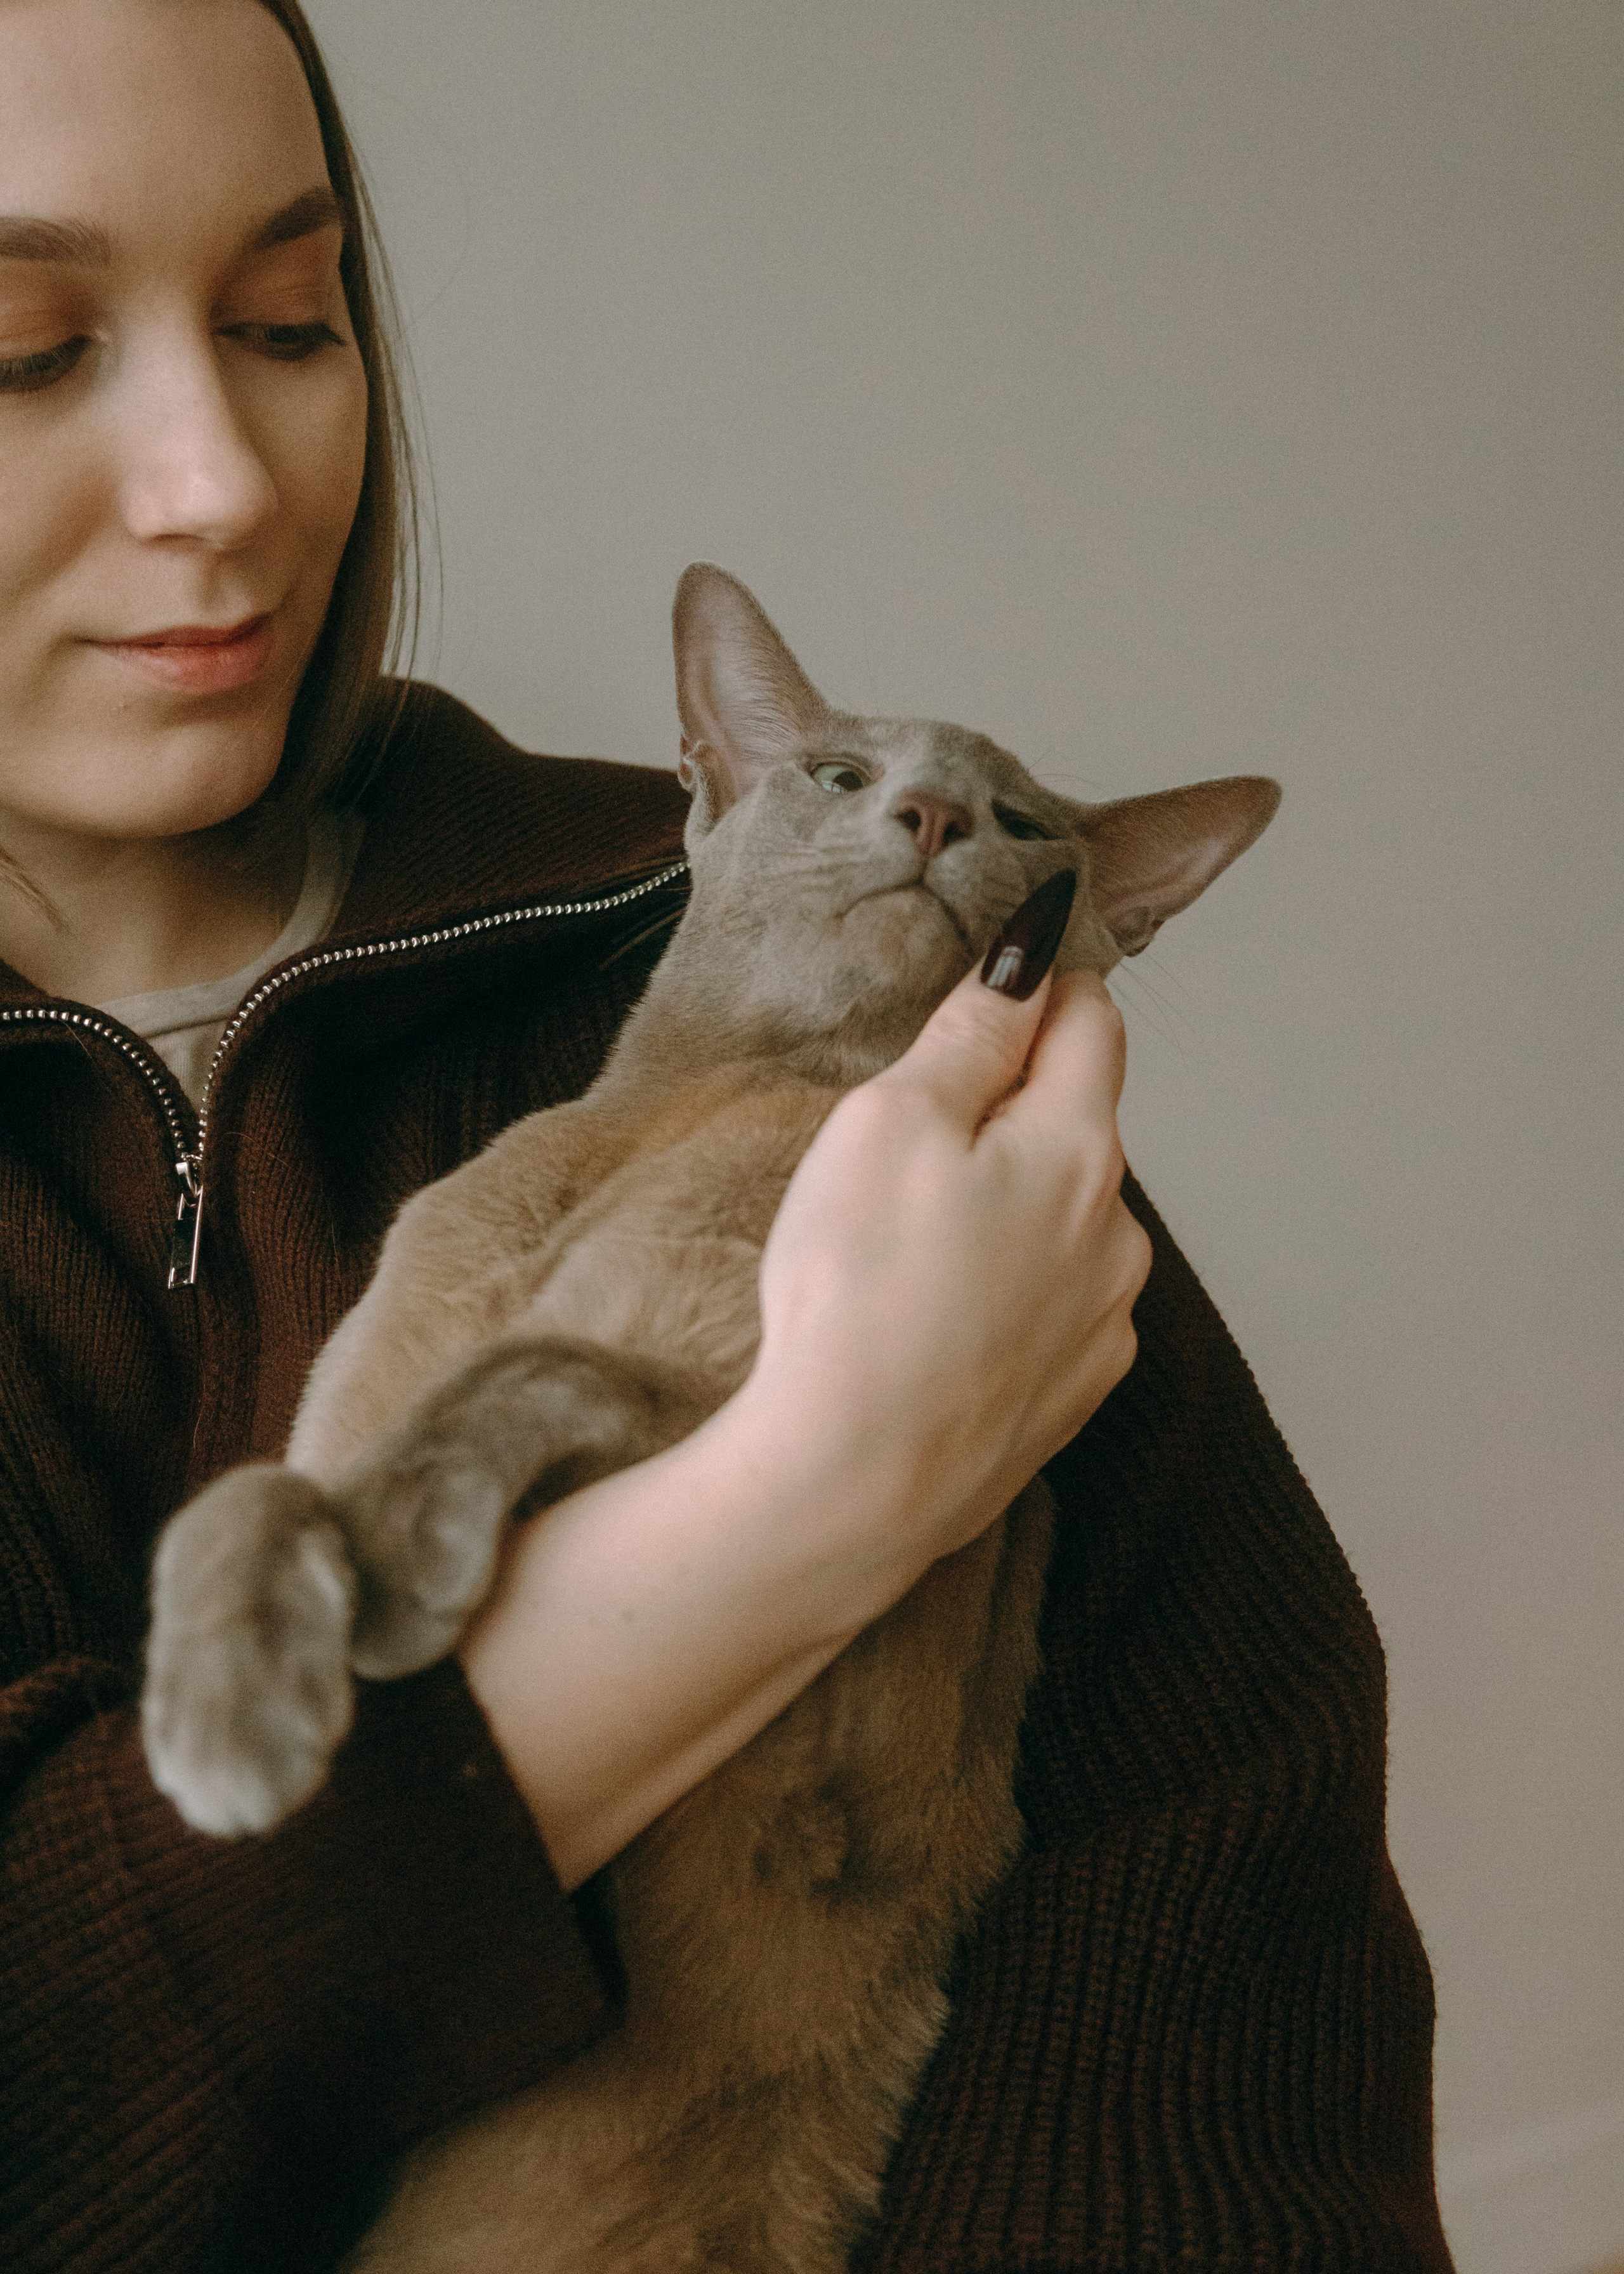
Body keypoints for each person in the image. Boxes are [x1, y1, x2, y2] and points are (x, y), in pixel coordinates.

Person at [0, 3, 1454, 2269]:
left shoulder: (861, 1033)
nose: (225, 486)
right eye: (24, 351)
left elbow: (1220, 2010)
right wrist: (791, 1530)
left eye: (290, 320)